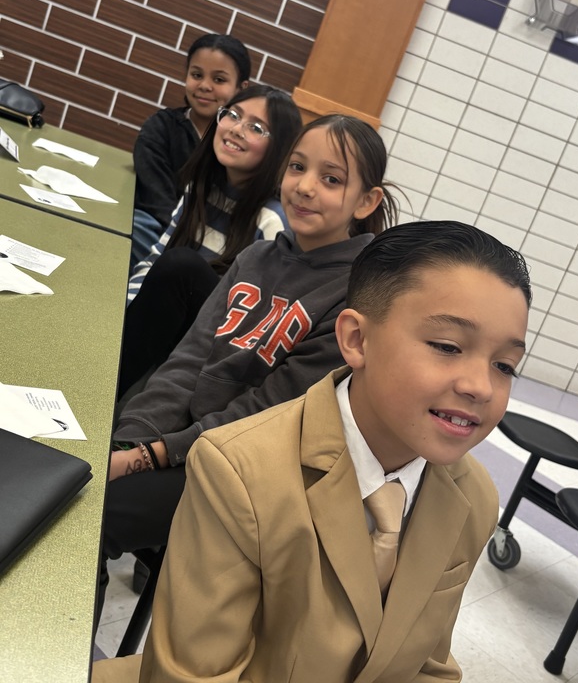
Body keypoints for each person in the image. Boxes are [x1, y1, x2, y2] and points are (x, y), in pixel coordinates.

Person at [93, 219, 531, 682]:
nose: (481, 386)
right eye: (446, 346)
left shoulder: (473, 498)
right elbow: (192, 674)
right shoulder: (241, 473)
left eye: (504, 365)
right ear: (356, 340)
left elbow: (428, 664)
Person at [95, 114, 400, 627]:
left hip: (251, 476)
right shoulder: (257, 256)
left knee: (89, 518)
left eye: (331, 179)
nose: (305, 187)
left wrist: (152, 455)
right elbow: (187, 362)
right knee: (75, 475)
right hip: (188, 446)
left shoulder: (357, 295)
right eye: (298, 167)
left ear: (365, 202)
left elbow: (267, 415)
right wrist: (130, 441)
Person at [119, 84, 302, 399]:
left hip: (217, 351)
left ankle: (106, 392)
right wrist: (127, 313)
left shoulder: (272, 221)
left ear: (280, 150)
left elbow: (255, 329)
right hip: (171, 323)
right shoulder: (201, 187)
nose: (236, 129)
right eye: (232, 115)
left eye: (256, 127)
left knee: (182, 267)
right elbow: (153, 259)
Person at [131, 33, 251, 268]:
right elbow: (157, 203)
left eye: (219, 79)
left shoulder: (241, 144)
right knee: (136, 226)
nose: (205, 86)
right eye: (196, 75)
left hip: (218, 253)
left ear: (241, 88)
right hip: (162, 234)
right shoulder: (161, 128)